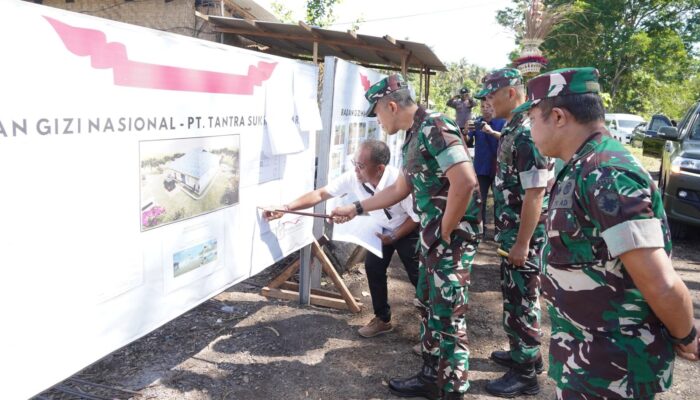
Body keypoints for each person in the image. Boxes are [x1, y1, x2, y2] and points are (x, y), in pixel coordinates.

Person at [520, 66, 700, 399]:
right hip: (587, 361)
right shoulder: (583, 165)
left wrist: (685, 334)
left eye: (532, 119)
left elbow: (659, 281)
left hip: (614, 370)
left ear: (558, 116)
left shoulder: (607, 173)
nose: (529, 130)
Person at [331, 74, 482, 400]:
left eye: (378, 112)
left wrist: (444, 231)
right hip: (433, 240)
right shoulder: (416, 135)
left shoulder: (436, 128)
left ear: (391, 105)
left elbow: (466, 181)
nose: (378, 120)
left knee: (448, 316)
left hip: (448, 242)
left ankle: (452, 389)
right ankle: (431, 376)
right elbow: (401, 189)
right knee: (429, 308)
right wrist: (356, 207)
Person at [263, 139, 420, 338]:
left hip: (407, 229)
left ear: (380, 168)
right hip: (381, 229)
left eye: (361, 166)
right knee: (373, 269)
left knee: (419, 276)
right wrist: (286, 208)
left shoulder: (398, 183)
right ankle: (382, 319)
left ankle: (432, 325)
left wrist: (395, 235)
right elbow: (320, 194)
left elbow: (416, 218)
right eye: (355, 163)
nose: (356, 170)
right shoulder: (355, 178)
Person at [475, 68, 554, 398]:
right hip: (514, 233)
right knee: (517, 297)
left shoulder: (527, 132)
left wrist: (522, 242)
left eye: (492, 95)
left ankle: (524, 375)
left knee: (521, 299)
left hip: (525, 238)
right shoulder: (515, 126)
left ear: (511, 92)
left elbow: (536, 193)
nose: (488, 102)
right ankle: (528, 354)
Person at [466, 101, 505, 237]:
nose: (485, 109)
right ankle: (480, 231)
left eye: (488, 106)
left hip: (498, 168)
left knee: (499, 201)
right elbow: (466, 140)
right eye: (483, 107)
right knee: (479, 200)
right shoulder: (477, 122)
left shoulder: (502, 122)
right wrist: (466, 130)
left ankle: (498, 232)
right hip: (481, 168)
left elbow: (507, 138)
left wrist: (492, 132)